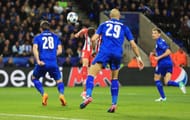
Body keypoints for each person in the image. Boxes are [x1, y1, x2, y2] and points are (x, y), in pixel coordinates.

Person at [79, 8, 144, 113]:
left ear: (110, 16)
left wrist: (95, 50)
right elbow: (133, 44)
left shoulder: (103, 25)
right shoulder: (124, 27)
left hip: (104, 52)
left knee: (91, 73)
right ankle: (114, 104)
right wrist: (139, 58)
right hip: (117, 54)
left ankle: (89, 96)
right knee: (114, 78)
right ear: (119, 17)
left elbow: (93, 39)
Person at [32, 20, 66, 106]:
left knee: (34, 78)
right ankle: (61, 95)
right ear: (49, 28)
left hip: (43, 62)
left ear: (41, 29)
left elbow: (35, 48)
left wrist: (38, 60)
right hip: (53, 62)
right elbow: (60, 50)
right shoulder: (55, 37)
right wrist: (52, 55)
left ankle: (44, 94)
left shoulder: (38, 37)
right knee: (59, 80)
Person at [152, 27, 186, 102]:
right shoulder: (161, 41)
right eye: (152, 33)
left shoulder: (159, 42)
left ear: (159, 34)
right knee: (167, 82)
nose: (153, 35)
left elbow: (168, 51)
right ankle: (180, 84)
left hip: (162, 63)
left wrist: (158, 57)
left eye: (155, 33)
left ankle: (163, 97)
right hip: (169, 63)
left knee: (156, 78)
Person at [75, 27, 100, 99]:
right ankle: (84, 81)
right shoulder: (87, 31)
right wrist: (78, 33)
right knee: (85, 65)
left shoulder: (99, 33)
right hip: (86, 50)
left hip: (94, 53)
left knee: (92, 70)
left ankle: (86, 90)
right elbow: (83, 30)